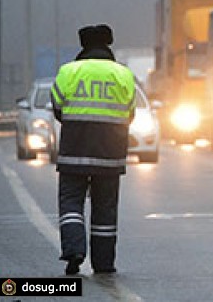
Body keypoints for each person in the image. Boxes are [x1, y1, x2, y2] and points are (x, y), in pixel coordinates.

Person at [50, 24, 136, 276]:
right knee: (105, 209)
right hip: (110, 154)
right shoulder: (123, 74)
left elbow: (58, 108)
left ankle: (74, 251)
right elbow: (130, 114)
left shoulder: (68, 71)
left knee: (71, 203)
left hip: (74, 151)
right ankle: (104, 263)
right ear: (108, 45)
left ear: (83, 46)